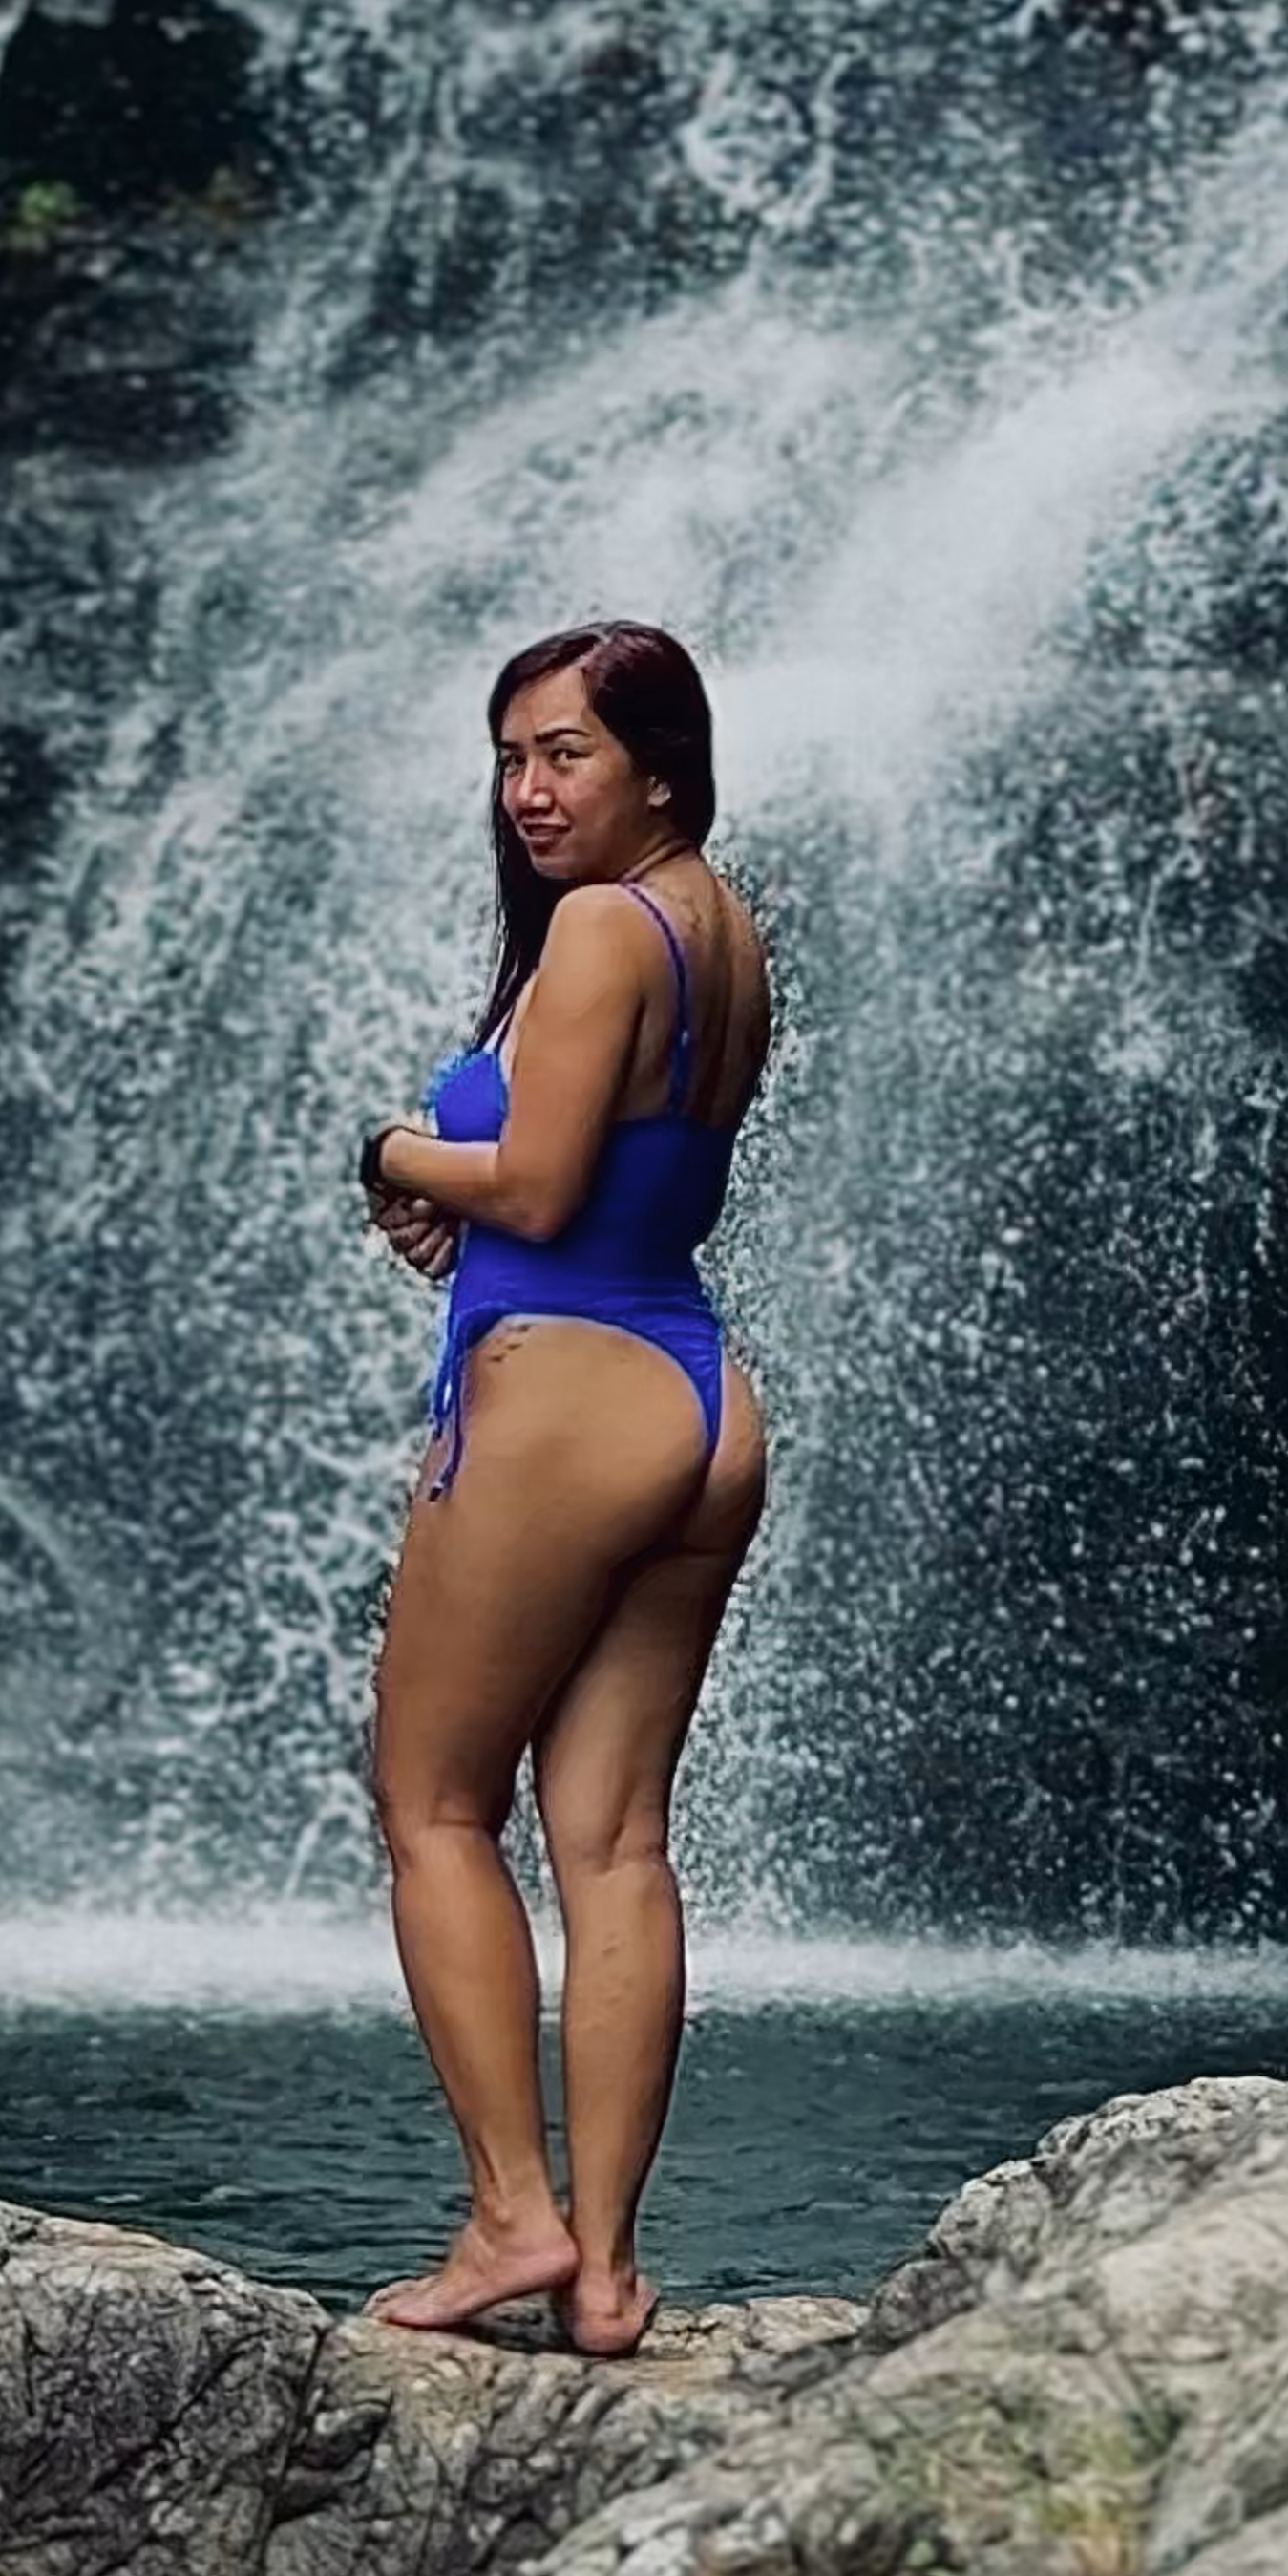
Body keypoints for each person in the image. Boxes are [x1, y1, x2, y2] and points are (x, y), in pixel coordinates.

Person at [353, 615, 769, 2352]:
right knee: (611, 1839)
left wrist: (386, 1152)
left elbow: (531, 1184)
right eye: (512, 756)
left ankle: (509, 2220)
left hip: (565, 1399)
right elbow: (629, 1181)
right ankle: (605, 2272)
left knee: (435, 1802)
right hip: (698, 1398)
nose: (528, 789)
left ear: (657, 767)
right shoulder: (719, 926)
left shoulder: (604, 924)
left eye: (567, 753)